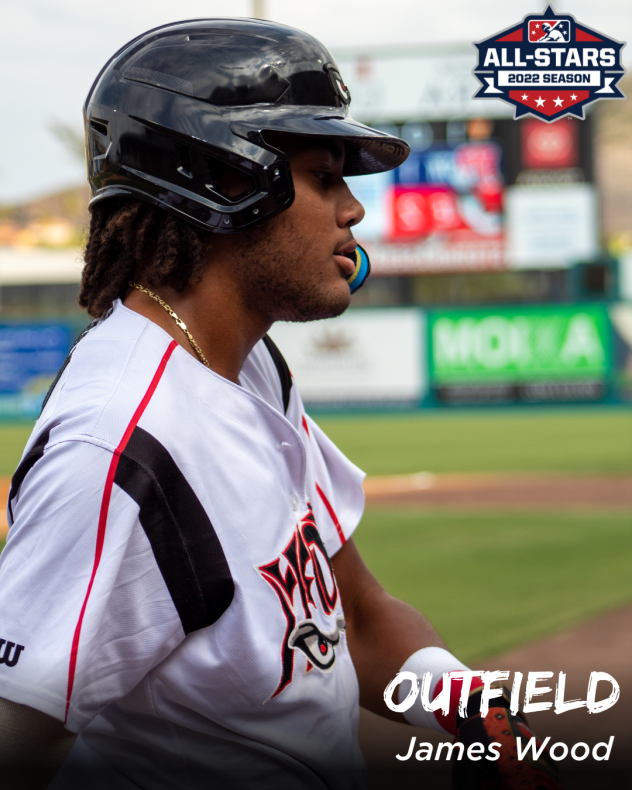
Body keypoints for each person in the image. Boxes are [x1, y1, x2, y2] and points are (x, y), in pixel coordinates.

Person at [0, 18, 559, 790]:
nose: (354, 209)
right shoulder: (118, 445)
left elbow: (355, 617)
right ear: (223, 178)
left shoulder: (248, 364)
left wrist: (482, 721)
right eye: (326, 177)